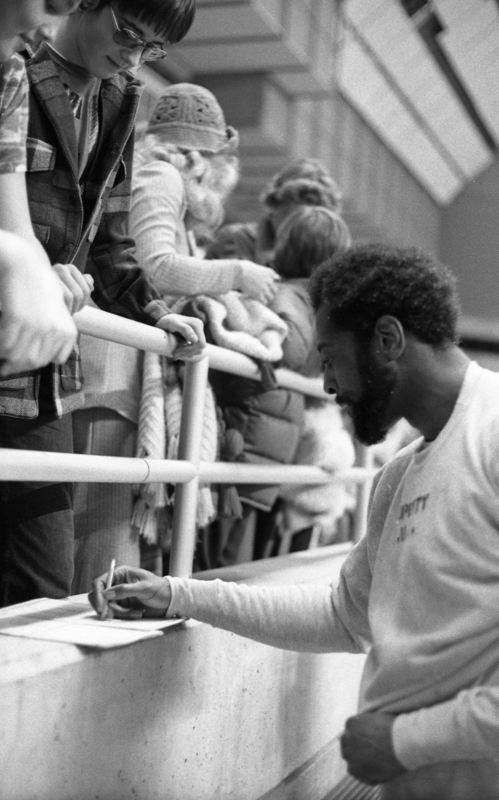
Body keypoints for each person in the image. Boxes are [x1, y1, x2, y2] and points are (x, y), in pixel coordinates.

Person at [91, 244, 499, 799]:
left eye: (330, 358)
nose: (327, 386)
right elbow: (343, 615)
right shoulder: (400, 474)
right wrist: (179, 595)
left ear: (388, 340)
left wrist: (407, 740)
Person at [0, 0, 206, 608]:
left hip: (44, 369)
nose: (132, 54)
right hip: (29, 331)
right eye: (126, 32)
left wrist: (155, 313)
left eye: (149, 47)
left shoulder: (120, 98)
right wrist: (31, 266)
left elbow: (111, 239)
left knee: (42, 581)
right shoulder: (15, 64)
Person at [71, 82, 279, 590]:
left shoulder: (151, 174)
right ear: (204, 155)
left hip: (116, 376)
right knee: (105, 538)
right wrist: (237, 274)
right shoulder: (163, 177)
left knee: (109, 531)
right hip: (115, 375)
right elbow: (153, 266)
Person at [203, 207, 354, 567]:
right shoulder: (305, 303)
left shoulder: (291, 296)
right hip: (259, 437)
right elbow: (296, 348)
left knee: (229, 555)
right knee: (234, 557)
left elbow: (287, 346)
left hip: (256, 435)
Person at [0, 0, 83, 378]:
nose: (52, 31)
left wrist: (41, 273)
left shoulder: (11, 73)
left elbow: (16, 226)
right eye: (56, 2)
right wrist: (16, 259)